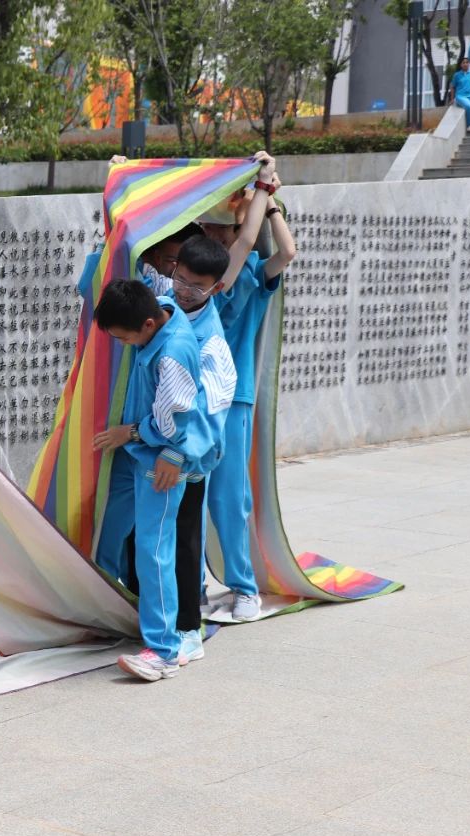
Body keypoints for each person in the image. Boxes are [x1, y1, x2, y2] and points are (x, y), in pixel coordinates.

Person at [91, 279, 210, 682]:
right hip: (137, 452)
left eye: (124, 339)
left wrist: (164, 449)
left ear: (146, 325)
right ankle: (103, 611)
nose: (123, 345)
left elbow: (176, 421)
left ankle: (164, 650)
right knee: (107, 528)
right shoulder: (159, 308)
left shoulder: (174, 353)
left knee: (153, 549)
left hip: (161, 460)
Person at [198, 159, 295, 621]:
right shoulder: (199, 280)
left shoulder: (248, 271)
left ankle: (243, 588)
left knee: (229, 497)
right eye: (207, 227)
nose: (213, 234)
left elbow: (285, 251)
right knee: (191, 498)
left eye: (222, 227)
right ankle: (193, 586)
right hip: (194, 400)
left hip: (233, 399)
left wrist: (267, 197)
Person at [162, 236, 236, 663]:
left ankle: (190, 627)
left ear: (216, 288)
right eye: (180, 279)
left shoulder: (211, 341)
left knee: (185, 540)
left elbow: (211, 409)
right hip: (152, 450)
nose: (184, 291)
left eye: (196, 287)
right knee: (151, 539)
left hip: (187, 459)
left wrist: (180, 453)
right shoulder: (163, 305)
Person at [447, 54, 470, 133]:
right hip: (461, 96)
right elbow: (452, 87)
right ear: (461, 65)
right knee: (469, 106)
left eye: (467, 62)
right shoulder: (457, 75)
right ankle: (469, 125)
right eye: (463, 62)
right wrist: (452, 99)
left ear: (469, 64)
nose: (465, 64)